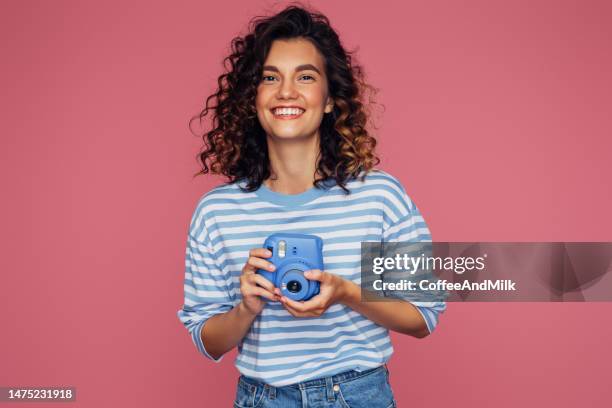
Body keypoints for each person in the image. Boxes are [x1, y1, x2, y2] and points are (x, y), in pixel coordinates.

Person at [177, 5, 445, 407]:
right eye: (270, 78)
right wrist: (247, 306)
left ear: (330, 101)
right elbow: (207, 339)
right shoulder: (217, 212)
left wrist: (346, 293)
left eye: (305, 76)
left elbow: (423, 316)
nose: (287, 91)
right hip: (261, 398)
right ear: (253, 99)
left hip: (358, 396)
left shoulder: (378, 197)